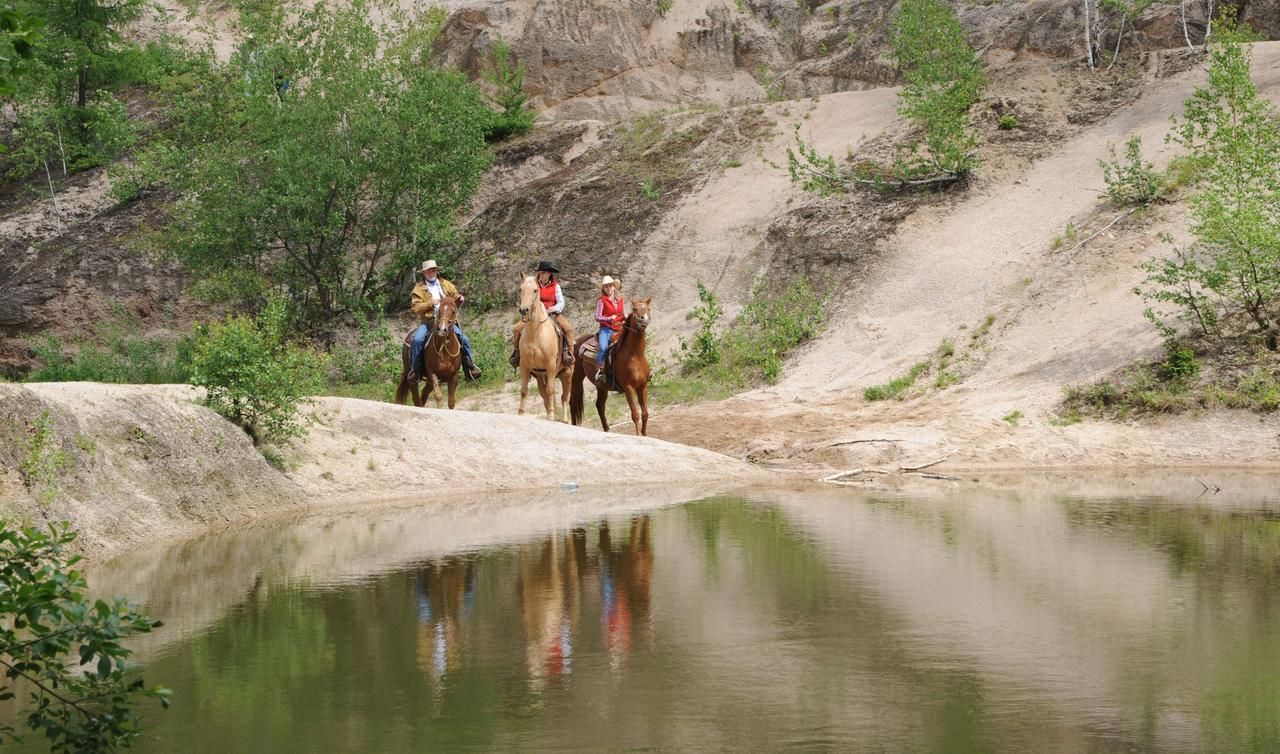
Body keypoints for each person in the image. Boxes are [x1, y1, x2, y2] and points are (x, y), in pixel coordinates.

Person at [409, 260, 482, 381]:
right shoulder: (419, 289)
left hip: (447, 321)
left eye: (433, 270)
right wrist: (430, 303)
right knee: (417, 340)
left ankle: (470, 368)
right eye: (429, 270)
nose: (432, 272)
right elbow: (416, 307)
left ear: (437, 271)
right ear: (424, 273)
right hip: (429, 321)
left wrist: (459, 298)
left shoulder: (446, 284)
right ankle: (415, 371)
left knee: (464, 339)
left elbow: (455, 296)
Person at [510, 260, 575, 368]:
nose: (542, 275)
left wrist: (551, 309)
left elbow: (561, 303)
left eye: (544, 273)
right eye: (540, 273)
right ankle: (517, 353)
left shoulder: (556, 286)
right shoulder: (534, 285)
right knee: (516, 329)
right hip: (534, 315)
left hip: (553, 314)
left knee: (568, 329)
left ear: (550, 274)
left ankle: (568, 354)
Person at [593, 275, 625, 384]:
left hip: (619, 327)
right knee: (603, 347)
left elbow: (622, 313)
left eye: (610, 286)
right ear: (603, 289)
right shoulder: (601, 301)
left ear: (614, 286)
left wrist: (626, 317)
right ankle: (600, 371)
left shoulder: (620, 300)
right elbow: (597, 317)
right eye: (606, 287)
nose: (609, 288)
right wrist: (609, 318)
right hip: (606, 328)